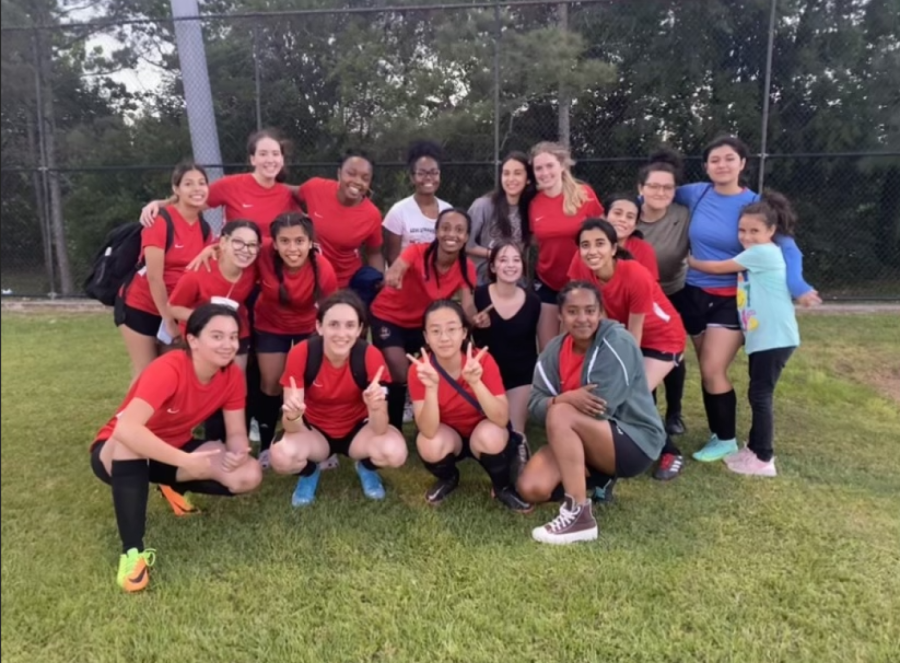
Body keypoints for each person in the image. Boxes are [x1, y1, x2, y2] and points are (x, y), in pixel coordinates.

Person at [89, 304, 263, 592]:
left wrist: (238, 451)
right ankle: (132, 553)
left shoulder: (231, 376)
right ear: (193, 339)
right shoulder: (168, 368)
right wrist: (185, 460)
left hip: (174, 448)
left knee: (249, 474)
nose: (228, 344)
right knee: (132, 445)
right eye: (217, 336)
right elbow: (127, 429)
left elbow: (235, 432)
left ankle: (172, 486)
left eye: (233, 337)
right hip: (116, 452)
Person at [674, 136, 819, 463]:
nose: (721, 165)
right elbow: (659, 191)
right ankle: (718, 430)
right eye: (714, 160)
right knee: (707, 368)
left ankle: (726, 439)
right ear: (706, 166)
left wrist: (799, 286)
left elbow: (789, 249)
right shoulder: (696, 193)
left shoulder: (756, 206)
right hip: (694, 294)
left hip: (731, 298)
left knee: (713, 367)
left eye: (729, 159)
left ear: (742, 163)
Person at [516, 282, 666, 544]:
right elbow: (534, 404)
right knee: (531, 487)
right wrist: (563, 398)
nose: (582, 318)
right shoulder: (553, 350)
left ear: (601, 313)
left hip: (633, 440)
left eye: (590, 310)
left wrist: (556, 404)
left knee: (560, 414)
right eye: (573, 311)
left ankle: (579, 515)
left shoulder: (617, 341)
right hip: (583, 436)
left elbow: (601, 406)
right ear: (560, 316)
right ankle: (600, 480)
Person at [688, 192, 801, 476]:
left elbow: (716, 268)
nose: (747, 236)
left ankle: (763, 458)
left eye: (755, 231)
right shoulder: (759, 252)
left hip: (775, 338)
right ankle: (754, 448)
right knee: (757, 392)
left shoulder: (762, 252)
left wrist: (690, 262)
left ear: (771, 231)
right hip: (765, 339)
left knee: (761, 395)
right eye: (742, 230)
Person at [568, 219, 686, 480]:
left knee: (632, 393)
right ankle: (614, 447)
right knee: (608, 388)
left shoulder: (634, 274)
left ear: (613, 248)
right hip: (623, 332)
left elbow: (635, 334)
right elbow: (591, 311)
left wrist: (622, 370)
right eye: (585, 245)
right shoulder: (581, 266)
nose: (591, 251)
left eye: (600, 244)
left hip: (661, 339)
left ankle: (670, 452)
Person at [271, 291, 408, 504]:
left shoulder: (370, 356)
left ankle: (366, 466)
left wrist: (377, 407)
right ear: (319, 326)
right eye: (333, 324)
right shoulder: (302, 353)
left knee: (395, 452)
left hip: (358, 431)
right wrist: (293, 415)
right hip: (314, 432)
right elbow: (292, 427)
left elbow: (380, 428)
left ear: (360, 329)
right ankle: (309, 471)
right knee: (281, 457)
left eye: (350, 325)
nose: (341, 333)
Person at [407, 299, 532, 511]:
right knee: (429, 443)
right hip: (448, 434)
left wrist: (475, 382)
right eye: (435, 331)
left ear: (464, 332)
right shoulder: (420, 369)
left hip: (482, 430)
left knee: (491, 435)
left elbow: (501, 418)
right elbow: (427, 430)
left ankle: (502, 486)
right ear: (426, 337)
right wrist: (431, 387)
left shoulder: (482, 361)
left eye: (452, 329)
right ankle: (449, 478)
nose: (444, 338)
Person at [370, 207, 477, 430]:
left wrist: (476, 319)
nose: (452, 234)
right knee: (399, 371)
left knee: (439, 365)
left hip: (422, 325)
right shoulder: (418, 251)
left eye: (459, 230)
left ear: (466, 237)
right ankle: (393, 429)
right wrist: (393, 274)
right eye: (446, 228)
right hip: (388, 316)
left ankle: (438, 422)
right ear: (436, 232)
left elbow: (467, 305)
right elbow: (399, 266)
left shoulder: (466, 267)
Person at [253, 212, 338, 465]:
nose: (293, 248)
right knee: (271, 384)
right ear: (275, 243)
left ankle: (320, 442)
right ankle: (267, 444)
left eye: (300, 241)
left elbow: (330, 309)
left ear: (310, 242)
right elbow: (232, 245)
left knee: (310, 384)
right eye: (285, 241)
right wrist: (209, 251)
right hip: (270, 325)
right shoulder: (263, 254)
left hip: (307, 327)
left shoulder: (323, 268)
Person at [118, 161, 213, 380]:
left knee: (169, 372)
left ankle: (162, 415)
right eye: (188, 184)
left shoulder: (203, 226)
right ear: (176, 189)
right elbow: (154, 277)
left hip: (175, 306)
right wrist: (169, 321)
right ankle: (127, 415)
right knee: (146, 373)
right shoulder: (161, 220)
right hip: (142, 306)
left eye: (202, 183)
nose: (197, 189)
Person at [140, 129, 298, 237]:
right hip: (236, 268)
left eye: (275, 154)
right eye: (263, 154)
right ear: (253, 159)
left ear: (282, 159)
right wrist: (159, 204)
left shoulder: (289, 195)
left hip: (273, 271)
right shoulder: (231, 185)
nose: (270, 160)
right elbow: (191, 203)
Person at [635, 149, 691, 446]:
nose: (660, 192)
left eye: (667, 187)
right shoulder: (628, 217)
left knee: (674, 356)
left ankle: (675, 412)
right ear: (640, 189)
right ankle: (649, 413)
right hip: (640, 298)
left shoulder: (683, 216)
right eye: (653, 186)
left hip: (673, 291)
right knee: (644, 352)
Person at [529, 141, 605, 350]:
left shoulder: (585, 195)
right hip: (548, 283)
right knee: (549, 350)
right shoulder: (533, 204)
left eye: (549, 166)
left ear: (562, 165)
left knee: (577, 347)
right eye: (539, 168)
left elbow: (604, 235)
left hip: (582, 284)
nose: (545, 173)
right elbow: (534, 241)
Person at [169, 220, 261, 372]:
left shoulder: (253, 268)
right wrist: (208, 318)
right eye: (238, 242)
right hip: (202, 332)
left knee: (236, 381)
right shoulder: (198, 272)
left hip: (237, 330)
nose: (245, 250)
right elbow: (173, 308)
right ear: (224, 243)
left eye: (252, 245)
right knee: (205, 381)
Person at [472, 241, 541, 435]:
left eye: (516, 260)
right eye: (503, 260)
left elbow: (543, 347)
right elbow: (462, 332)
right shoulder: (479, 296)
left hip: (521, 377)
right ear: (493, 266)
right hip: (485, 375)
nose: (510, 265)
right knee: (491, 428)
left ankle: (520, 455)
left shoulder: (533, 301)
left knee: (514, 431)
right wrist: (474, 323)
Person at [293, 150, 386, 288]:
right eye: (351, 174)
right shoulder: (315, 187)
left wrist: (380, 282)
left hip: (344, 284)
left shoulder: (372, 215)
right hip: (308, 278)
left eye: (365, 178)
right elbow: (289, 194)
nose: (357, 181)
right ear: (339, 173)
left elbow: (374, 253)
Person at [466, 151, 535, 284]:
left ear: (528, 179)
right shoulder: (482, 205)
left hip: (517, 283)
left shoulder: (531, 209)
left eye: (517, 173)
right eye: (506, 173)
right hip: (484, 282)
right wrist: (498, 255)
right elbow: (467, 246)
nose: (511, 179)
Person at [383, 140, 452, 264]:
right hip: (407, 277)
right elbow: (392, 257)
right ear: (412, 177)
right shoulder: (398, 211)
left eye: (434, 172)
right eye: (421, 173)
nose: (428, 178)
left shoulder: (448, 210)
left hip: (438, 277)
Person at [603, 193, 659, 280]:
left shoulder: (644, 250)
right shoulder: (589, 244)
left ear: (635, 225)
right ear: (604, 217)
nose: (622, 219)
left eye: (630, 217)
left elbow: (650, 288)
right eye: (617, 213)